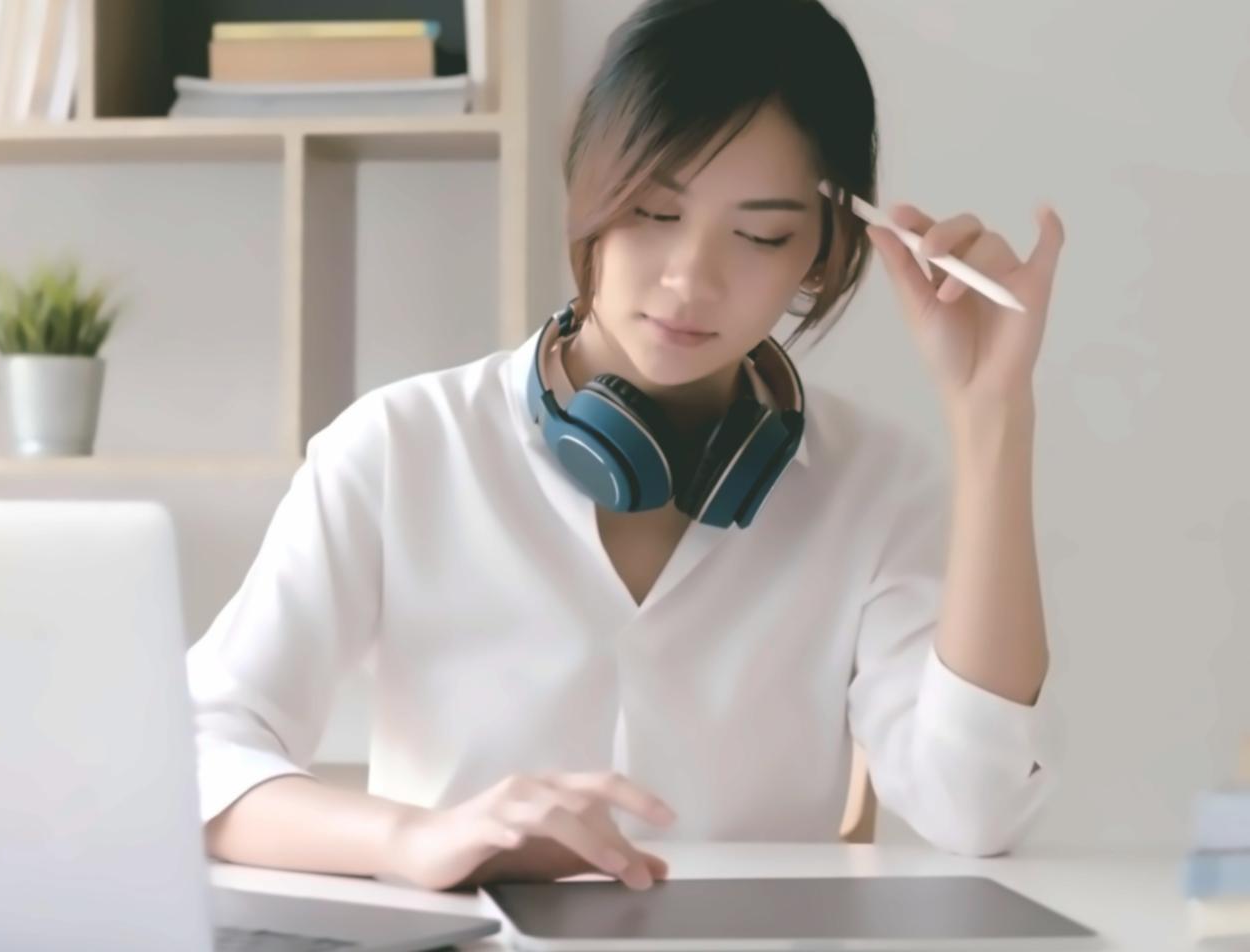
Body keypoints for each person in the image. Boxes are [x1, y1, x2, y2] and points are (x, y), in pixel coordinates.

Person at [187, 0, 1067, 893]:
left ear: (820, 250)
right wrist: (413, 840)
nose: (689, 278)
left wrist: (991, 414)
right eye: (651, 211)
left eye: (760, 234)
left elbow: (975, 809)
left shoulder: (875, 484)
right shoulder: (398, 449)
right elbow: (197, 747)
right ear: (588, 193)